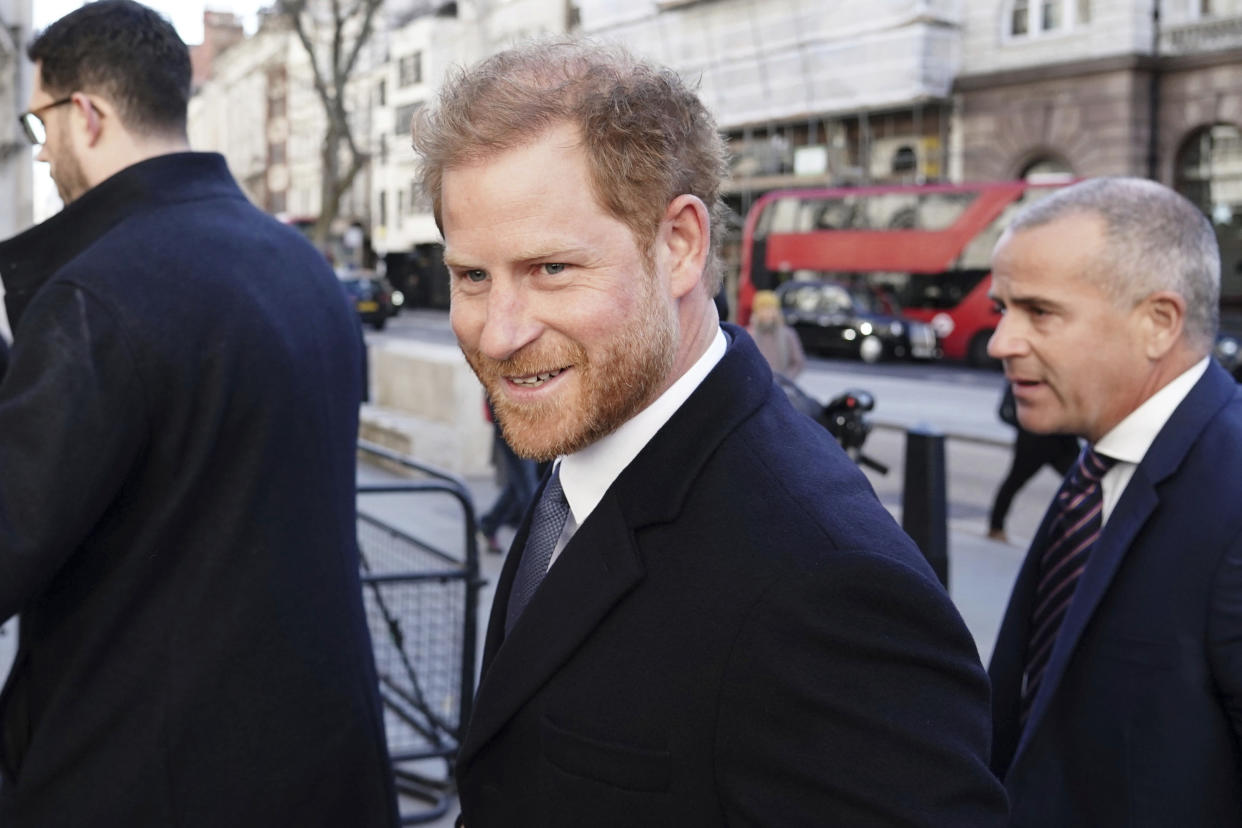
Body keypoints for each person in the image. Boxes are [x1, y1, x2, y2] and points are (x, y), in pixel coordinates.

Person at [413, 39, 1007, 827]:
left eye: (551, 269)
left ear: (681, 245)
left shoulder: (824, 581)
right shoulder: (595, 441)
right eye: (472, 277)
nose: (498, 334)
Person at [0, 3, 398, 825]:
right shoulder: (299, 265)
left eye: (39, 125)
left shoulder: (96, 295)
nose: (42, 155)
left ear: (87, 114)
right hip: (321, 763)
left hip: (142, 775)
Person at [986, 177, 1242, 826]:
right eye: (1001, 309)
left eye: (1040, 312)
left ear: (1158, 323)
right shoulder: (1096, 461)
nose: (1001, 342)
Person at [987, 385, 1080, 543]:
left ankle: (1076, 533)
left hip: (1063, 439)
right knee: (1014, 482)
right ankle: (995, 526)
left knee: (1081, 482)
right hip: (1034, 440)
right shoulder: (1031, 371)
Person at [479, 398, 539, 554]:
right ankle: (537, 544)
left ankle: (489, 524)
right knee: (527, 487)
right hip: (513, 424)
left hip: (528, 423)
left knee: (518, 483)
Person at [747, 288, 805, 379]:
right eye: (763, 309)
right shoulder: (748, 335)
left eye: (771, 309)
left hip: (782, 385)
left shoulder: (788, 334)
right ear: (757, 312)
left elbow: (798, 362)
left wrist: (787, 378)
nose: (768, 314)